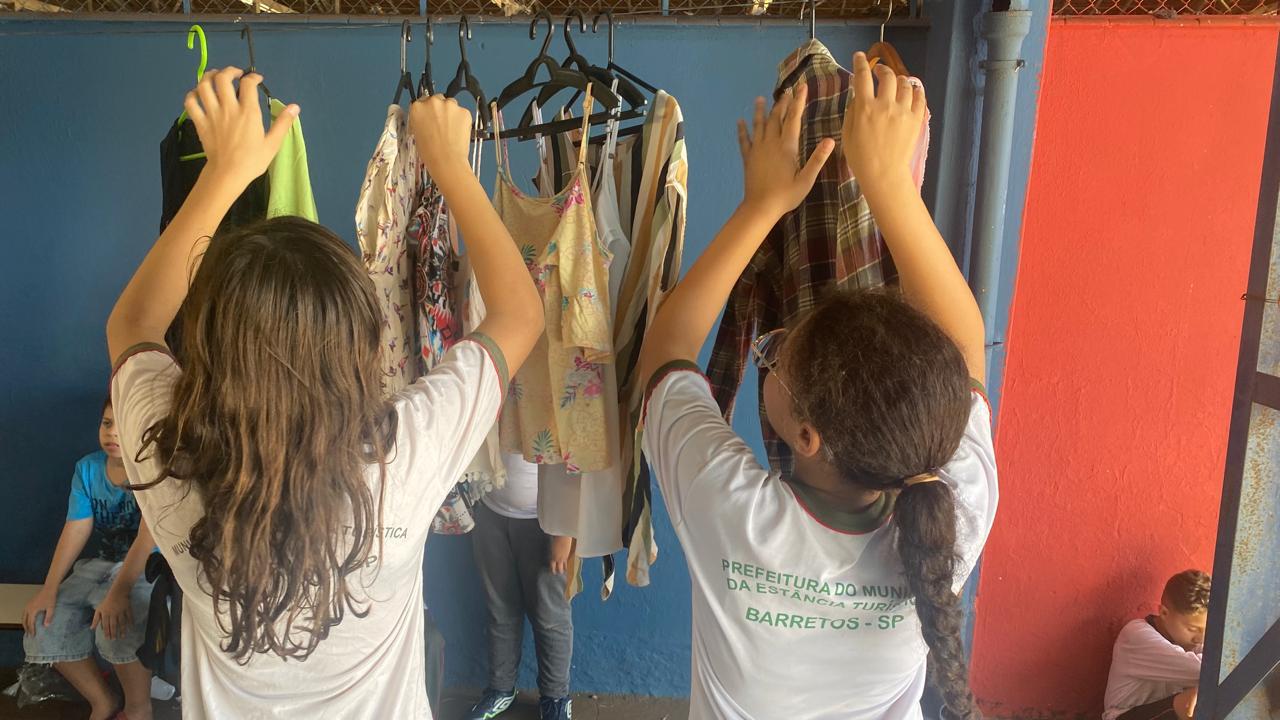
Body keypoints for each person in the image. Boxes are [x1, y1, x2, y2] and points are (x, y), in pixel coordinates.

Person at [105, 67, 543, 718]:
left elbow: (134, 325)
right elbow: (521, 316)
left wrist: (222, 176)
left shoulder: (170, 458)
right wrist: (453, 164)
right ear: (366, 350)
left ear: (204, 339)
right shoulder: (404, 452)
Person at [635, 53, 997, 719]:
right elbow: (967, 341)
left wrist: (764, 203)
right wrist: (889, 185)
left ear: (806, 434)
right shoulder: (957, 515)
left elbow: (664, 346)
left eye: (771, 354)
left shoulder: (734, 513)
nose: (765, 354)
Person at [23, 397, 156, 720]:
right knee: (43, 622)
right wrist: (49, 587)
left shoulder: (155, 471)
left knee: (117, 623)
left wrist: (119, 593)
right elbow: (76, 529)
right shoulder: (88, 468)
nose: (112, 433)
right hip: (99, 564)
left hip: (147, 566)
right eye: (107, 423)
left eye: (124, 427)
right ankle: (103, 700)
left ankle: (139, 708)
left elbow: (147, 536)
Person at [466, 454, 576, 720]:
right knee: (499, 609)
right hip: (490, 512)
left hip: (544, 520)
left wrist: (564, 530)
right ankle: (501, 688)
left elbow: (578, 454)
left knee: (551, 616)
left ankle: (556, 698)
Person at [1103, 570, 1210, 720]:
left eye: (1207, 629)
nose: (1200, 638)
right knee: (1193, 700)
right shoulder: (1136, 635)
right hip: (1126, 716)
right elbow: (1206, 670)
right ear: (1164, 613)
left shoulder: (1192, 641)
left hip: (1165, 713)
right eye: (1192, 629)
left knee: (1205, 694)